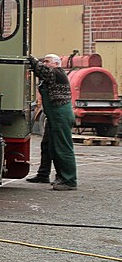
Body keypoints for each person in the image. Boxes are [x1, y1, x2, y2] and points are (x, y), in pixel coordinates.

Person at [25, 54, 78, 190]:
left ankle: (69, 180)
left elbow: (41, 70)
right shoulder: (52, 75)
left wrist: (29, 57)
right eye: (44, 61)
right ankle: (43, 174)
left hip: (60, 114)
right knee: (48, 145)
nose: (45, 63)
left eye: (47, 61)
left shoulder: (57, 73)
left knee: (62, 147)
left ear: (56, 63)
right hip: (53, 114)